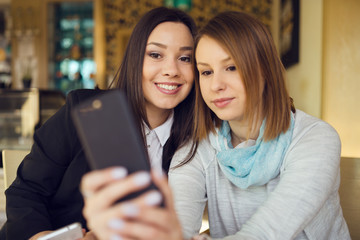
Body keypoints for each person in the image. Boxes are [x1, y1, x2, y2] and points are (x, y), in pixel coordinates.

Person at [80, 10, 351, 240]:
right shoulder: (196, 150)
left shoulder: (315, 138)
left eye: (231, 67)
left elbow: (265, 234)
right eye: (206, 72)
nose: (216, 85)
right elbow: (177, 231)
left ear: (265, 70)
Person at [0, 7, 197, 240]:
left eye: (185, 58)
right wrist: (45, 236)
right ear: (134, 59)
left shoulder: (195, 141)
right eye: (155, 55)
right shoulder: (83, 112)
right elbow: (26, 192)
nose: (171, 70)